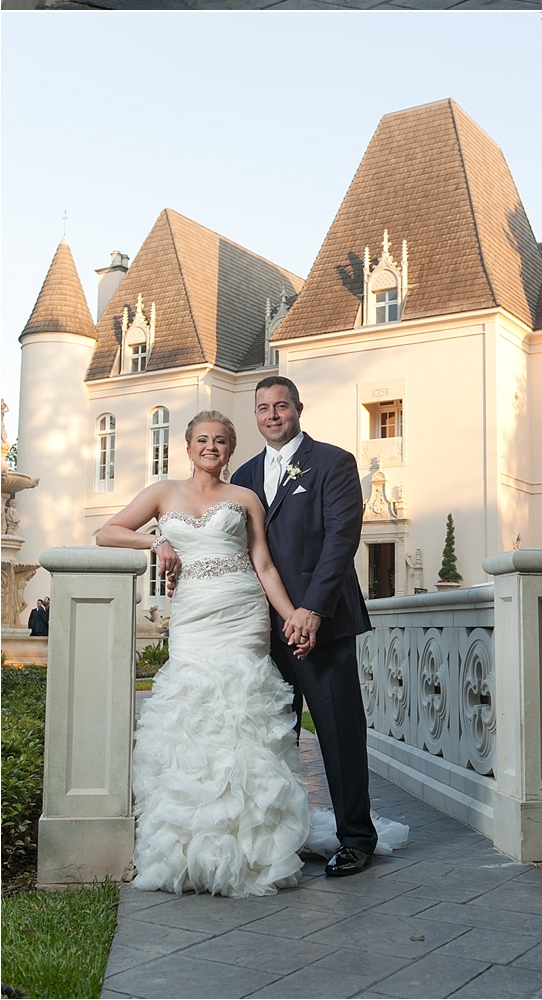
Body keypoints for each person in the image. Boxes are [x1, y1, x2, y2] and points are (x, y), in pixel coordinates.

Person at [97, 410, 312, 895]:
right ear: (188, 447)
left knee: (241, 717)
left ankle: (253, 847)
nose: (210, 447)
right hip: (192, 618)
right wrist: (156, 541)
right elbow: (106, 532)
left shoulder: (245, 498)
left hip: (242, 614)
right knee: (191, 717)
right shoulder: (161, 492)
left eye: (220, 440)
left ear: (230, 449)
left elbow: (263, 564)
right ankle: (186, 848)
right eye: (201, 439)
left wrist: (291, 615)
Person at [232, 376, 383, 877]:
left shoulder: (333, 462)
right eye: (262, 408)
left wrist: (312, 609)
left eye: (280, 406)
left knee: (339, 735)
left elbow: (342, 538)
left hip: (324, 625)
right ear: (255, 415)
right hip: (262, 629)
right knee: (275, 739)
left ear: (299, 407)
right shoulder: (244, 474)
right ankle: (279, 838)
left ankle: (357, 839)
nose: (271, 415)